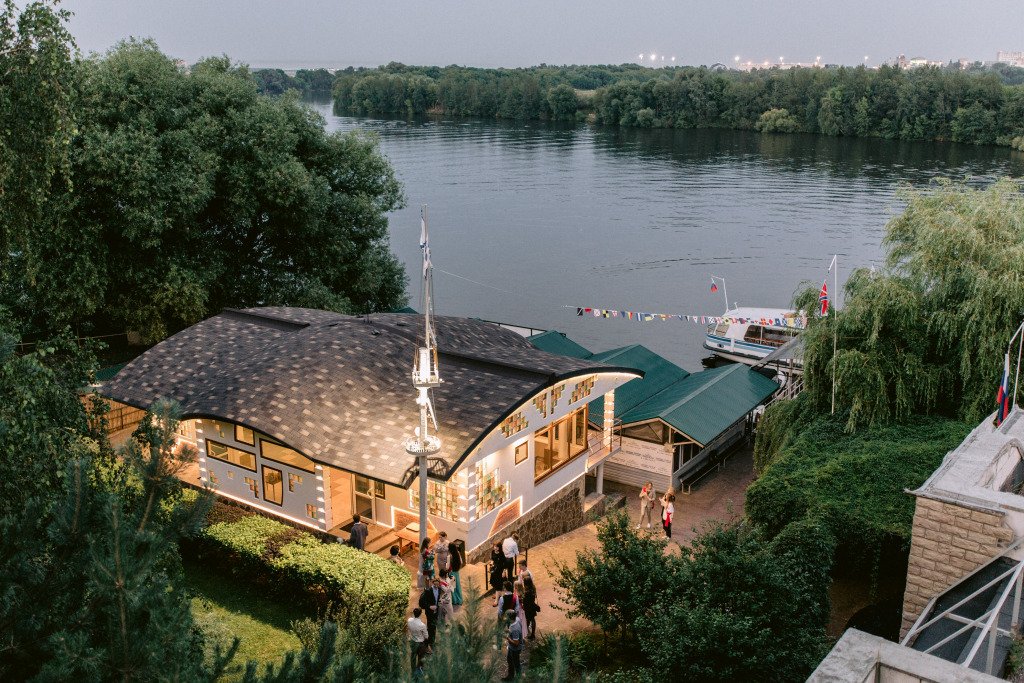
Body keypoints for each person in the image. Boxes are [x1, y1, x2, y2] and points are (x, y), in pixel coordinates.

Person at [501, 609, 524, 681]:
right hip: (512, 648)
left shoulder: (515, 629)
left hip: (515, 649)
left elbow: (516, 643)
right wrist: (508, 631)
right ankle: (511, 676)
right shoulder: (517, 619)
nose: (505, 617)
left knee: (515, 663)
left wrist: (507, 637)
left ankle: (516, 678)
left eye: (506, 616)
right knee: (510, 661)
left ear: (509, 618)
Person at [418, 577, 442, 644]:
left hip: (436, 611)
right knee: (430, 625)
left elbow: (437, 599)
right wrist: (430, 606)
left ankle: (432, 639)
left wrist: (440, 601)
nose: (436, 586)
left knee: (434, 625)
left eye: (438, 585)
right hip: (429, 611)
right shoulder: (428, 590)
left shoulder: (439, 589)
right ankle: (430, 641)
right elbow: (423, 602)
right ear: (432, 583)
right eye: (435, 585)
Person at [407, 607, 429, 671]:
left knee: (413, 657)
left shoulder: (409, 620)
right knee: (421, 658)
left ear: (414, 613)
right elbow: (426, 637)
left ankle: (413, 671)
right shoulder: (422, 625)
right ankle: (419, 671)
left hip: (413, 641)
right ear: (420, 614)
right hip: (420, 643)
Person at [521, 575, 539, 640]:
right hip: (532, 605)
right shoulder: (533, 588)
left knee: (529, 619)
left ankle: (531, 633)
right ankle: (531, 633)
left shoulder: (527, 592)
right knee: (532, 619)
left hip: (528, 607)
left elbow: (524, 600)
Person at [449, 537, 465, 605]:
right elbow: (461, 562)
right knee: (458, 586)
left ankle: (455, 600)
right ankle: (459, 599)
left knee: (453, 587)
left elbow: (447, 566)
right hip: (456, 572)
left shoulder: (450, 556)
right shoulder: (458, 553)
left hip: (451, 572)